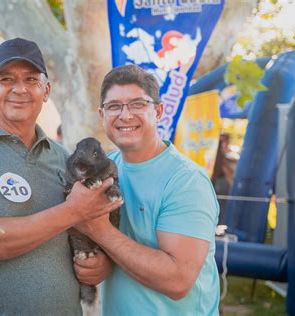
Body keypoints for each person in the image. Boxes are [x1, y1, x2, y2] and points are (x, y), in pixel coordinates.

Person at [0, 38, 121, 315]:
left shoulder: (64, 158)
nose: (19, 88)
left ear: (46, 91)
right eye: (6, 79)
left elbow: (87, 232)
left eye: (31, 79)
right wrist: (73, 210)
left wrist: (100, 263)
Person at [73, 65, 220, 315]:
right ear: (102, 114)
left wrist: (98, 230)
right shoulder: (105, 168)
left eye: (138, 104)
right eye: (114, 106)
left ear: (158, 111)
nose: (125, 115)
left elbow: (177, 280)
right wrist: (95, 262)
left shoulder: (186, 181)